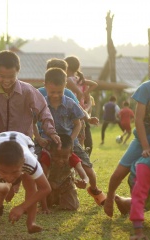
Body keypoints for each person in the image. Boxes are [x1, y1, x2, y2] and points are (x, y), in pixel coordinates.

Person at [0, 50, 60, 220]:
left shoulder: (27, 91)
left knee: (19, 175)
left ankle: (12, 193)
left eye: (11, 76)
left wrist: (51, 132)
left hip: (22, 142)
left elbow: (43, 111)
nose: (6, 80)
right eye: (2, 76)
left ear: (18, 71)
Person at [103, 45, 150, 218]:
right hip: (143, 139)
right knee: (119, 173)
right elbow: (138, 120)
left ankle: (130, 203)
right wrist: (145, 146)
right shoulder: (146, 89)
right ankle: (109, 199)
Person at [38, 67, 106, 206]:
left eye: (60, 91)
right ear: (45, 86)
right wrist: (39, 139)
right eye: (52, 92)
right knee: (33, 167)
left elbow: (78, 124)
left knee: (88, 168)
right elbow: (31, 122)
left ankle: (94, 189)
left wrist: (71, 140)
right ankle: (38, 196)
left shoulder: (69, 103)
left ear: (65, 86)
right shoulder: (41, 103)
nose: (56, 95)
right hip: (47, 141)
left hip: (69, 140)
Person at [0, 131, 51, 239]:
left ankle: (31, 222)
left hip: (24, 141)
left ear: (23, 162)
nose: (9, 177)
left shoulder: (29, 161)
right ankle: (5, 188)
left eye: (14, 172)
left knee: (29, 182)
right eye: (4, 172)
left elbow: (46, 188)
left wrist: (22, 207)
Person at [113, 136, 150, 240]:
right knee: (146, 205)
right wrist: (138, 232)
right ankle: (122, 201)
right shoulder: (145, 168)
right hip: (139, 180)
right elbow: (139, 199)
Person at [40, 134, 89, 212]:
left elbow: (85, 177)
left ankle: (61, 198)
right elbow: (41, 184)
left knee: (72, 207)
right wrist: (44, 207)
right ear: (51, 151)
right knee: (47, 201)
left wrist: (84, 182)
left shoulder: (73, 158)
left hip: (65, 185)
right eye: (56, 156)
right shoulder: (46, 158)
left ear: (71, 153)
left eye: (64, 157)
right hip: (49, 186)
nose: (60, 160)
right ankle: (53, 198)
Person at [65, 56, 98, 147]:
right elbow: (94, 84)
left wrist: (78, 105)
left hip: (74, 109)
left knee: (76, 133)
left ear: (66, 67)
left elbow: (79, 93)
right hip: (82, 110)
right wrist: (86, 92)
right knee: (81, 136)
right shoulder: (79, 80)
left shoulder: (68, 80)